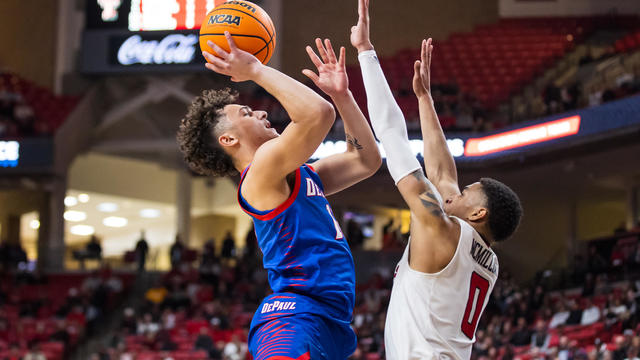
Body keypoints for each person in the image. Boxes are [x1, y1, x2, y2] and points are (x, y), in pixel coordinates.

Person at [177, 31, 381, 359]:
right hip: (293, 317)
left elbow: (365, 160)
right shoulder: (259, 173)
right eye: (246, 113)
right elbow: (318, 114)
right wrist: (255, 70)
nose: (260, 113)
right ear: (229, 141)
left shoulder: (297, 174)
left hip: (327, 317)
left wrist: (344, 97)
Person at [350, 0, 522, 358]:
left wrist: (366, 52)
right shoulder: (482, 256)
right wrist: (424, 99)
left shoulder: (442, 228)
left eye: (466, 194)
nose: (454, 195)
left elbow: (392, 135)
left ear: (478, 214)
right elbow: (443, 174)